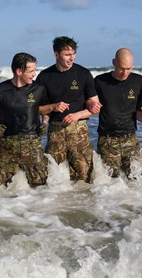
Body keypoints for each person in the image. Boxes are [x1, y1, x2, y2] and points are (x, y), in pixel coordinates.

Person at [0, 53, 68, 187]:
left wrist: (45, 122)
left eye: (35, 70)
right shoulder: (0, 90)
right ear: (19, 71)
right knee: (1, 187)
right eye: (31, 71)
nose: (34, 74)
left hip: (32, 142)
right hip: (8, 144)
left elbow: (43, 109)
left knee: (40, 186)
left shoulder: (38, 89)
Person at [36, 36, 99, 182]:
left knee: (84, 177)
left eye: (73, 54)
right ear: (56, 54)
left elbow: (95, 106)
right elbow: (37, 109)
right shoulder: (45, 76)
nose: (72, 58)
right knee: (53, 176)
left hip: (79, 131)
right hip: (55, 132)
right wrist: (53, 107)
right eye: (67, 55)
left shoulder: (83, 74)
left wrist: (77, 115)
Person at [93, 48, 142, 178]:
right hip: (107, 139)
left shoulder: (138, 80)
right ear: (114, 62)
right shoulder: (100, 81)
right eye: (122, 68)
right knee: (110, 181)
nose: (125, 73)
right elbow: (89, 103)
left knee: (137, 178)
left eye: (128, 69)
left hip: (130, 137)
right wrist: (91, 105)